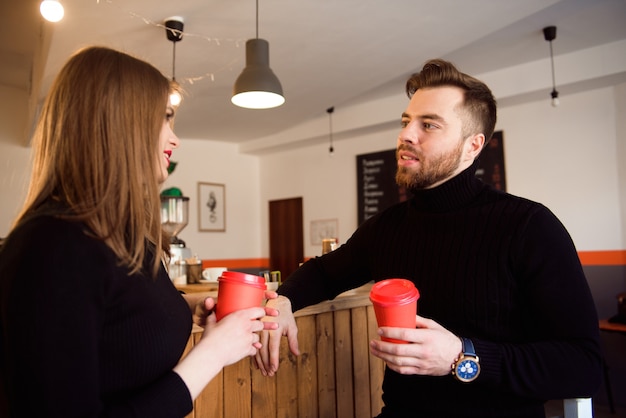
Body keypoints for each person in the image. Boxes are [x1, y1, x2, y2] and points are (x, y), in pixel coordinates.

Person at [256, 59, 602, 417]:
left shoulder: (530, 226)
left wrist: (460, 356)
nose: (406, 134)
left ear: (473, 146)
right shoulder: (387, 227)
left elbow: (584, 366)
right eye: (406, 122)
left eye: (429, 125)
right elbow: (324, 273)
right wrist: (282, 301)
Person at [0, 46, 277, 417]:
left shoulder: (123, 238)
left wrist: (190, 308)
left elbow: (119, 322)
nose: (175, 140)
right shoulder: (51, 247)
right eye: (165, 118)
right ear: (120, 124)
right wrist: (211, 355)